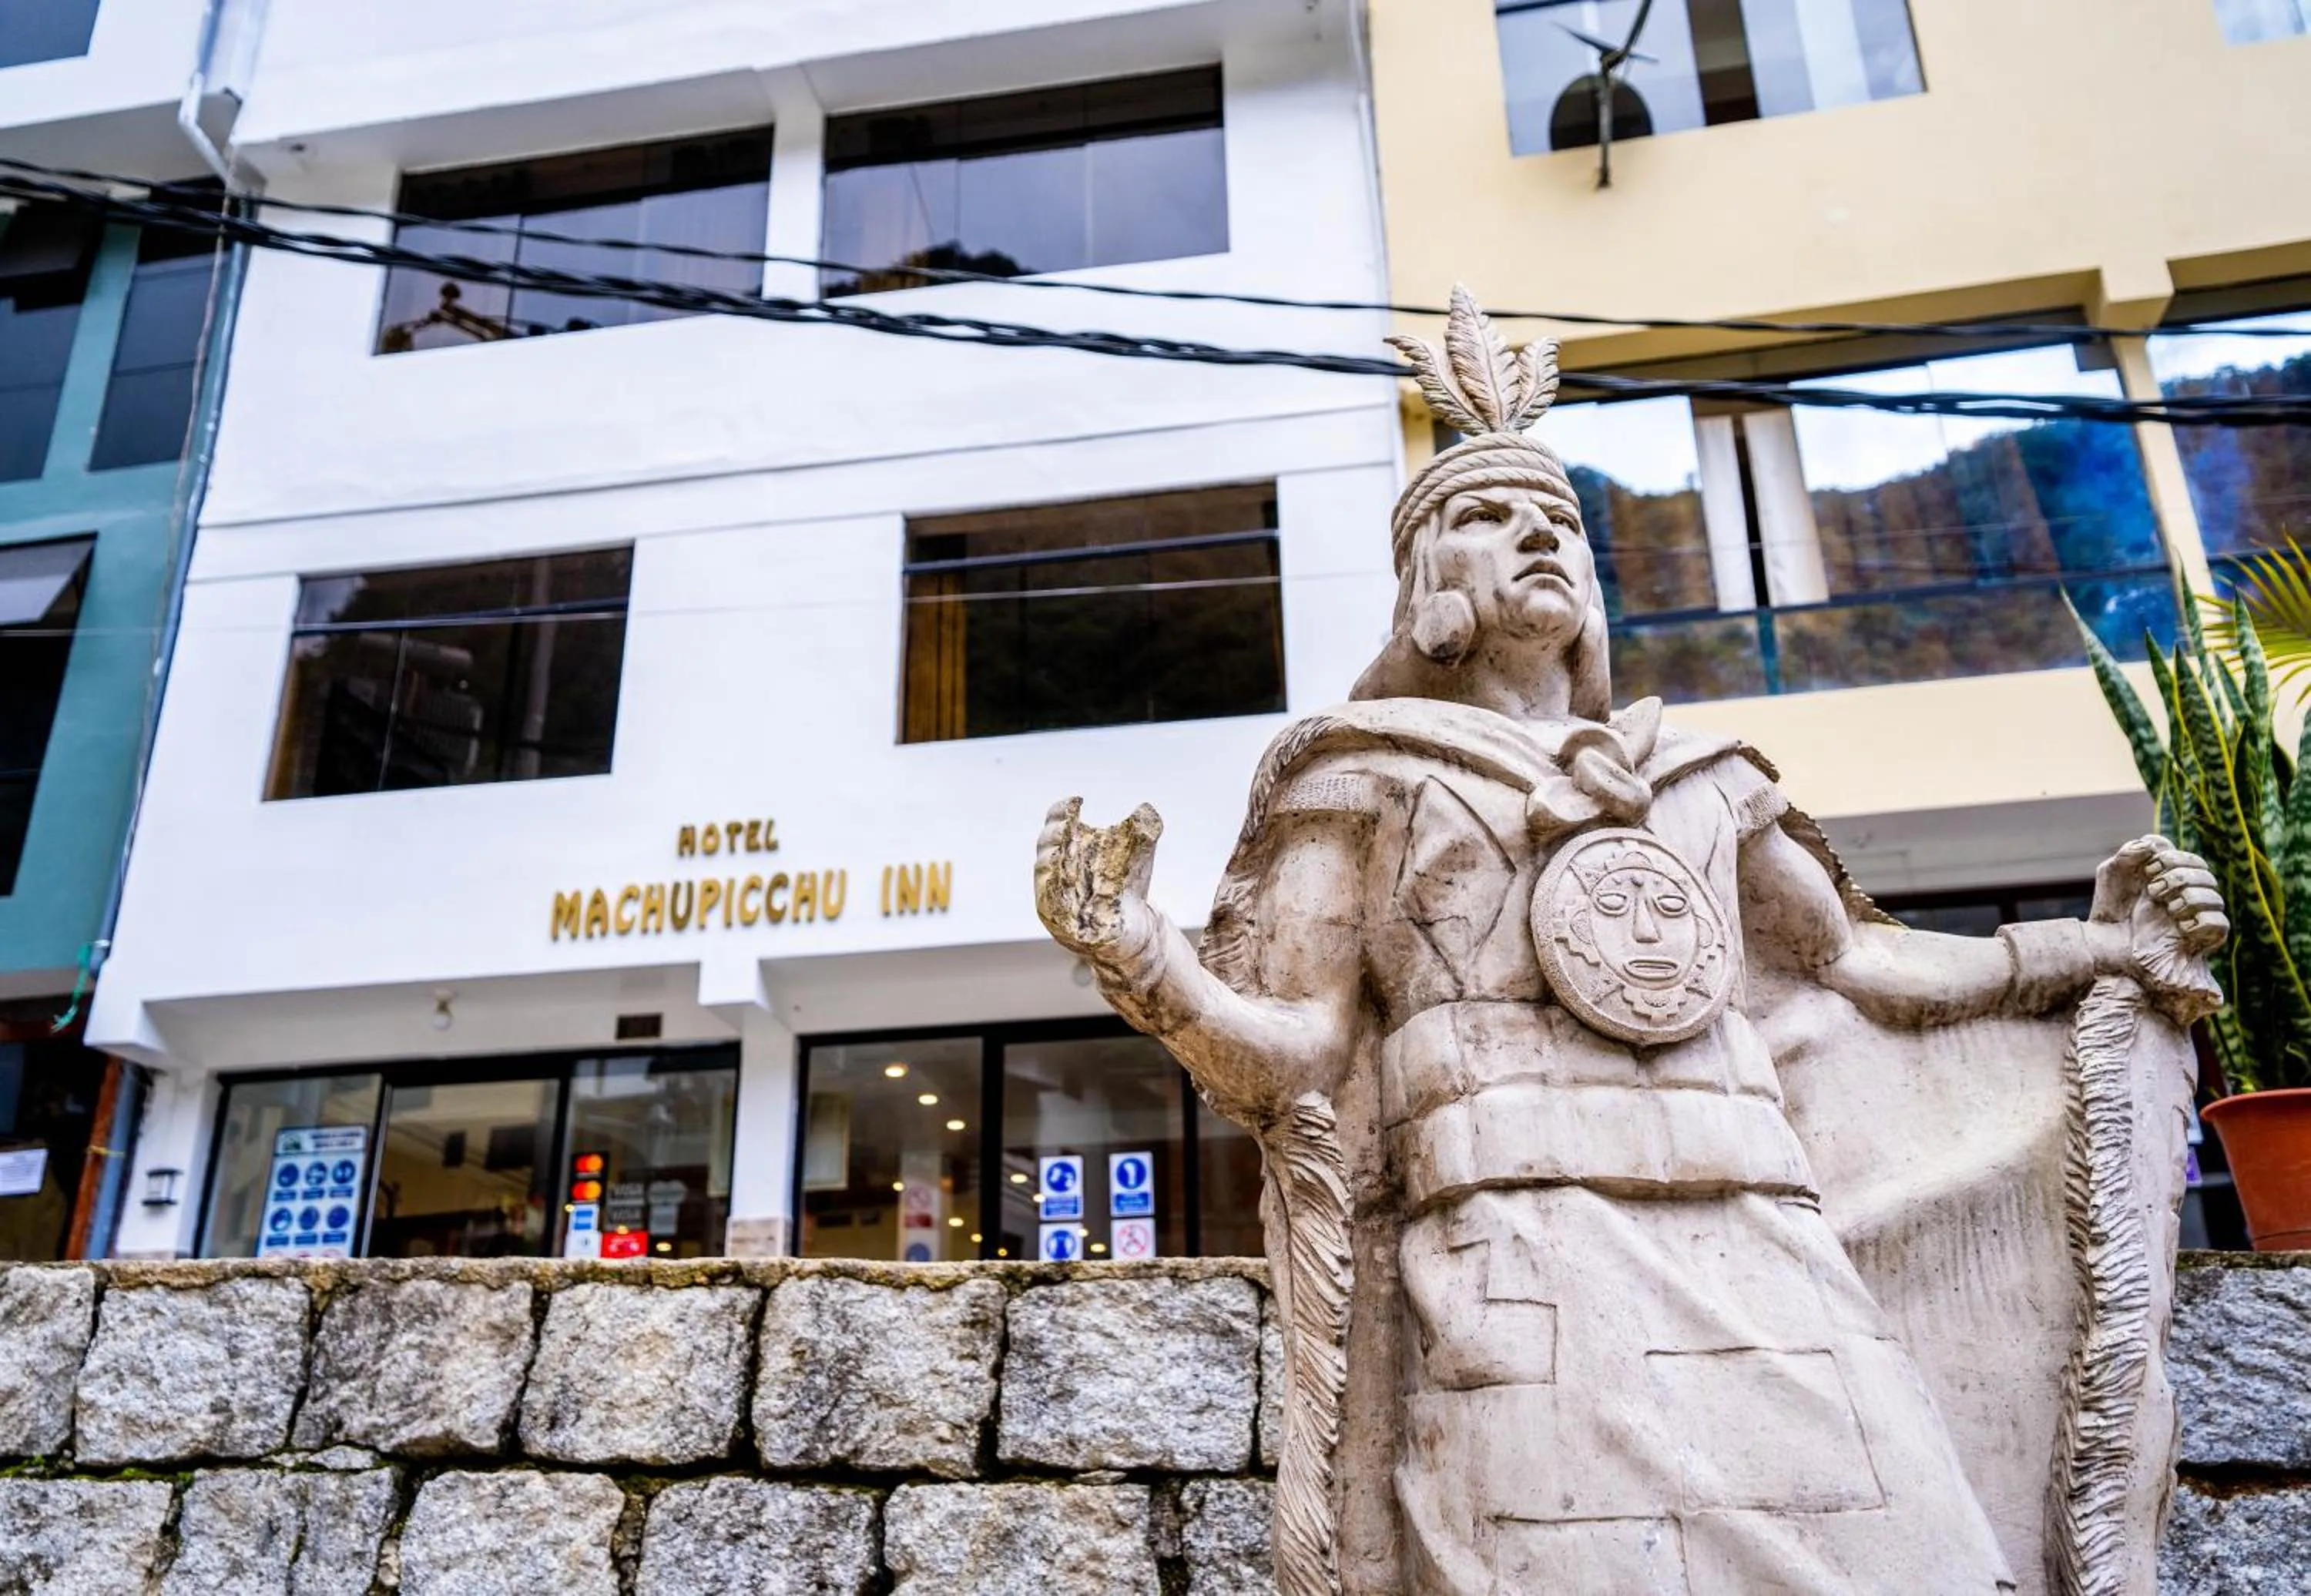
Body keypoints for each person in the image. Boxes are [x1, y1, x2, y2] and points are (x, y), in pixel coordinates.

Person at [1035, 290, 2225, 1596]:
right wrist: (1144, 959)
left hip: (1759, 1239)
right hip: (1515, 1251)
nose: (1537, 532)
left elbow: (1862, 966)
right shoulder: (1364, 775)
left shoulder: (1703, 775)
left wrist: (2088, 951)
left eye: (1559, 519)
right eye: (1484, 518)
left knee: (1918, 1559)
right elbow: (1306, 1057)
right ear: (1428, 590)